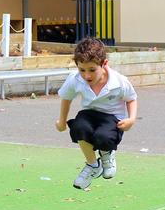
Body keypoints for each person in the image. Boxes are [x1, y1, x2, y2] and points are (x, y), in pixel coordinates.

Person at [55, 37, 138, 189]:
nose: (87, 76)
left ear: (104, 64)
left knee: (103, 137)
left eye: (92, 70)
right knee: (78, 127)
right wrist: (62, 121)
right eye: (82, 70)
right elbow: (66, 98)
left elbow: (131, 99)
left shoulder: (119, 81)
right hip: (89, 114)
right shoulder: (75, 79)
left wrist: (131, 119)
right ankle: (93, 165)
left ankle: (107, 155)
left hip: (112, 118)